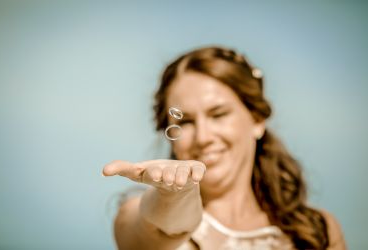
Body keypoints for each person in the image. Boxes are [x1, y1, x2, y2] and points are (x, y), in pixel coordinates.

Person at [102, 46, 346, 250]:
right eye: (185, 121)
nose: (203, 137)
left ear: (257, 119)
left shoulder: (317, 230)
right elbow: (161, 226)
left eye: (218, 114)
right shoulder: (133, 214)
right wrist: (174, 195)